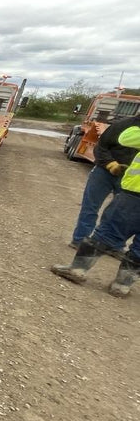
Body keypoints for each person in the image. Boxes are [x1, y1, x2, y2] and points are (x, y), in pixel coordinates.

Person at [53, 124, 140, 297]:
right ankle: (122, 286)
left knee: (108, 232)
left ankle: (78, 269)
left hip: (135, 195)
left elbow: (126, 137)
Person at [69, 113, 140, 248]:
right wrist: (110, 164)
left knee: (119, 214)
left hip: (128, 178)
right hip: (104, 172)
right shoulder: (122, 125)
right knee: (90, 207)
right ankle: (80, 240)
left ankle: (111, 245)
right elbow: (101, 147)